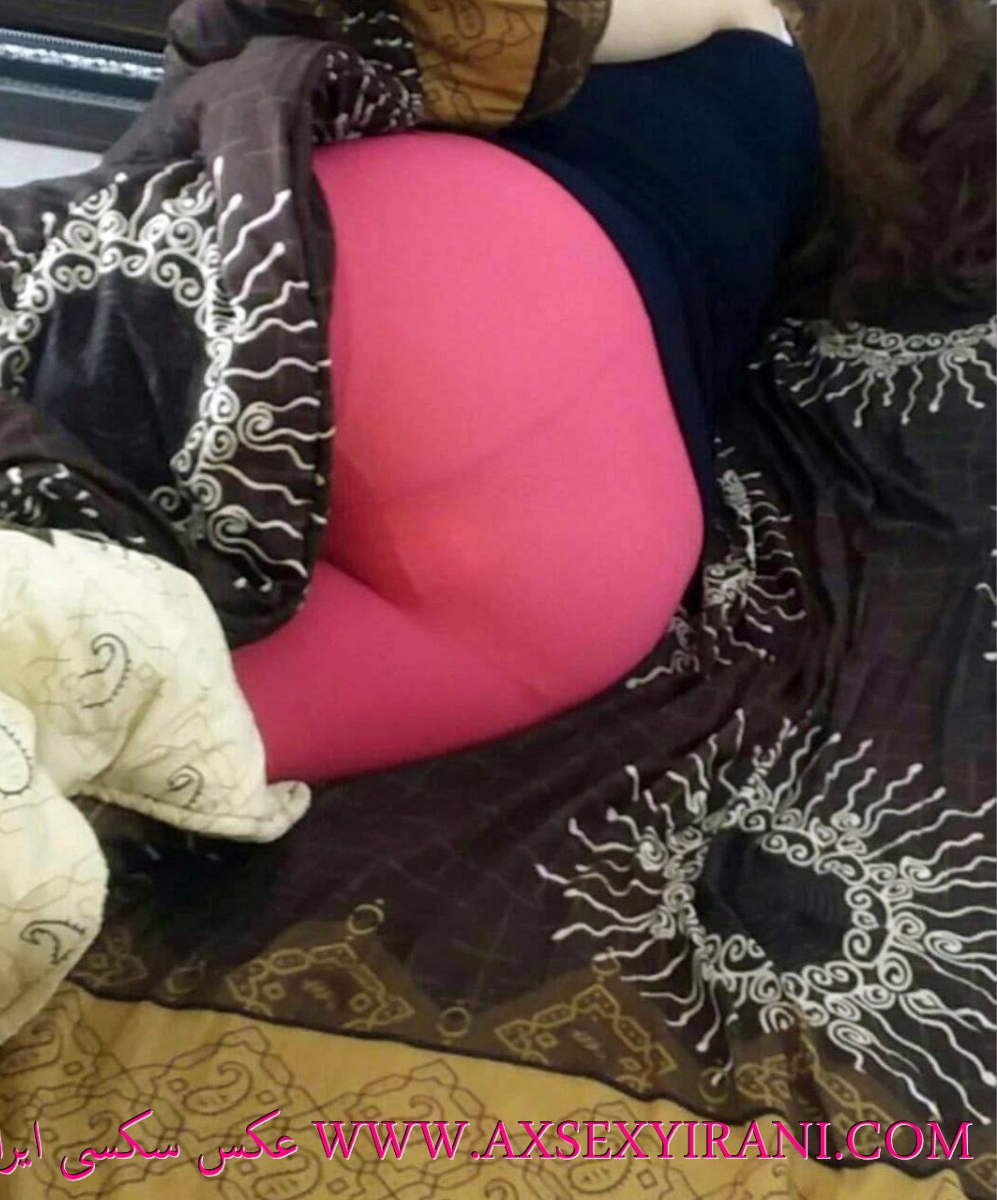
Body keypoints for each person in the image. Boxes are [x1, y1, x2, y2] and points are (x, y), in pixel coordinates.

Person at [233, 0, 820, 781]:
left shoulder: (731, 11)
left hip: (459, 266)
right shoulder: (807, 149)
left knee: (89, 480)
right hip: (593, 547)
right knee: (142, 712)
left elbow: (516, 34)